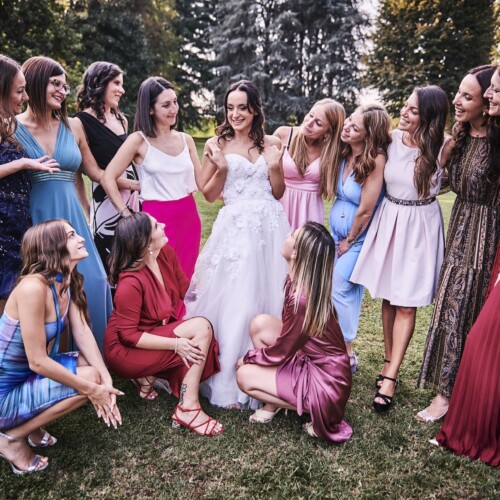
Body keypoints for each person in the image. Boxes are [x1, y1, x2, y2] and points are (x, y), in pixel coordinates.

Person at [184, 80, 290, 409]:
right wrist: (222, 167)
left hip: (270, 227)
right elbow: (208, 194)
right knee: (239, 296)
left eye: (242, 107)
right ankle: (229, 380)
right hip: (236, 229)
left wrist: (275, 166)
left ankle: (270, 371)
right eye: (230, 108)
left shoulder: (272, 143)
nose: (235, 114)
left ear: (255, 110)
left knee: (270, 292)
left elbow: (278, 192)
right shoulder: (217, 143)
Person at [350, 86, 450, 412]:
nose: (404, 113)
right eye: (405, 106)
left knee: (407, 303)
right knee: (390, 297)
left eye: (413, 110)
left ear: (430, 117)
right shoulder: (390, 140)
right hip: (391, 218)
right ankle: (388, 360)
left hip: (421, 225)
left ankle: (391, 376)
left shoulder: (445, 146)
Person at [0, 219, 122, 475]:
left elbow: (83, 332)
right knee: (88, 379)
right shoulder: (32, 288)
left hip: (25, 377)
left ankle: (32, 428)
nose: (81, 238)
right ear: (52, 247)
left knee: (93, 372)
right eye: (71, 235)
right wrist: (93, 389)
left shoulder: (66, 280)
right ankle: (11, 438)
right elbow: (37, 361)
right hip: (4, 392)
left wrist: (107, 381)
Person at [417, 65, 500, 422]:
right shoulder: (460, 137)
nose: (457, 101)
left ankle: (460, 393)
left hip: (488, 235)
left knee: (470, 307)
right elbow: (437, 186)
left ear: (486, 101)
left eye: (468, 96)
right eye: (458, 93)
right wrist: (444, 157)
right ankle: (445, 389)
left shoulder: (497, 141)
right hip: (459, 230)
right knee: (451, 304)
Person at [14, 56, 112, 350]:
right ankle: (52, 358)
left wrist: (131, 181)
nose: (62, 91)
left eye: (65, 86)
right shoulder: (11, 127)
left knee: (95, 281)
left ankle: (96, 354)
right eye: (55, 83)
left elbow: (95, 172)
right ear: (35, 83)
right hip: (37, 220)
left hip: (72, 219)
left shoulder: (74, 126)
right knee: (48, 288)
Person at [104, 212, 222, 435]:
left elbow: (185, 288)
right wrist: (175, 344)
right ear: (146, 244)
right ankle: (187, 408)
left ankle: (147, 378)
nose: (164, 225)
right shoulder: (130, 283)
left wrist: (219, 287)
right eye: (157, 226)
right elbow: (128, 336)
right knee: (201, 329)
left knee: (202, 333)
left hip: (152, 332)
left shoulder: (165, 254)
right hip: (124, 350)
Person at [236, 222, 352, 443]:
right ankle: (274, 402)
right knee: (260, 324)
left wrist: (250, 357)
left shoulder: (302, 300)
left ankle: (313, 409)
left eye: (292, 236)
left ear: (297, 253)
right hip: (314, 363)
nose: (287, 235)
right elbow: (288, 342)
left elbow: (282, 351)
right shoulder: (299, 282)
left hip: (326, 384)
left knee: (244, 376)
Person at [101, 77, 202, 281]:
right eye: (166, 105)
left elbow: (203, 183)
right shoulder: (138, 140)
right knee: (160, 280)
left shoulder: (187, 140)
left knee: (185, 280)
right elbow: (108, 177)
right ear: (150, 109)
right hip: (157, 221)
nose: (173, 109)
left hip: (189, 217)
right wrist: (126, 214)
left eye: (175, 102)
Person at [329, 104, 391, 372]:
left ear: (369, 134)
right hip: (337, 235)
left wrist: (350, 240)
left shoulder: (375, 159)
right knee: (338, 289)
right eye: (349, 122)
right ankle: (332, 349)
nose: (347, 128)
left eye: (355, 127)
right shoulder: (344, 154)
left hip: (360, 239)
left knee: (341, 286)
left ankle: (347, 354)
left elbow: (366, 209)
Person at [0, 54, 59, 314]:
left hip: (18, 230)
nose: (25, 97)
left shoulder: (8, 125)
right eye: (19, 91)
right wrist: (22, 163)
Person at [73, 61, 140, 274]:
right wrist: (87, 209)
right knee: (110, 260)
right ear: (98, 83)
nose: (122, 90)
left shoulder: (121, 119)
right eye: (116, 83)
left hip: (133, 198)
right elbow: (84, 172)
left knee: (134, 256)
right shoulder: (79, 123)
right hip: (105, 200)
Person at [274, 99, 344, 230]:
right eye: (311, 115)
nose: (309, 123)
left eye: (318, 123)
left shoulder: (331, 152)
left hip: (310, 211)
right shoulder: (284, 134)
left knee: (306, 243)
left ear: (328, 132)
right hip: (281, 205)